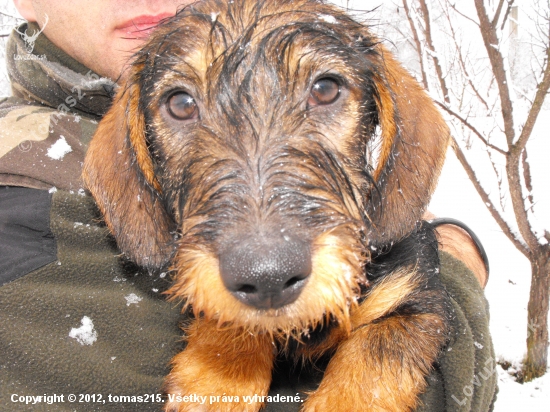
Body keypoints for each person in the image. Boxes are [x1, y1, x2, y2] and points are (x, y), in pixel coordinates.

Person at [0, 1, 497, 411]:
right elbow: (450, 390)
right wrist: (456, 257)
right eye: (181, 105)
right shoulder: (21, 208)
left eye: (324, 91)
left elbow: (405, 284)